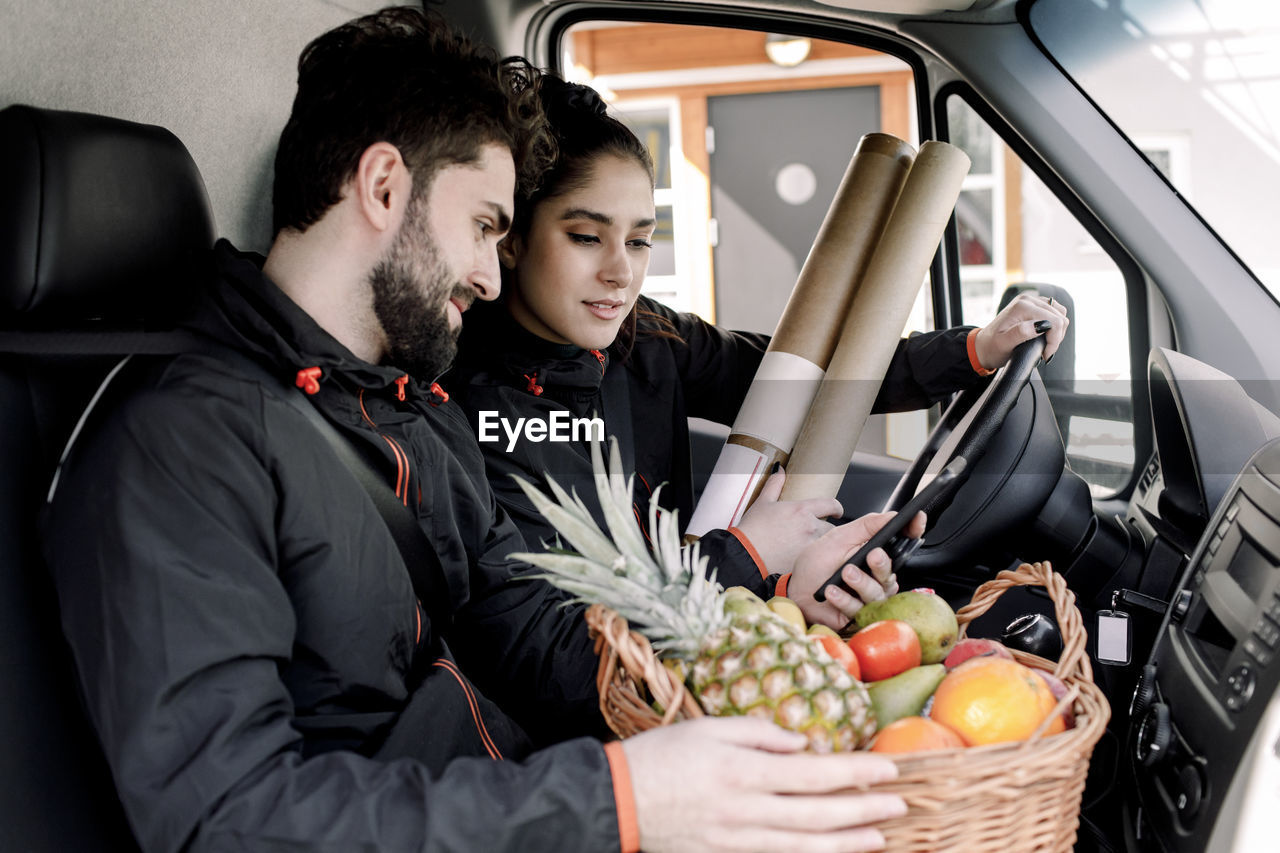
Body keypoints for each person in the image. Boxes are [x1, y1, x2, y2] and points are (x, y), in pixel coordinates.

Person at [44, 8, 912, 852]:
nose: (492, 281)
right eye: (485, 227)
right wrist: (621, 802)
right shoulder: (181, 445)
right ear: (384, 187)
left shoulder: (415, 409)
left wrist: (759, 601)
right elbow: (227, 819)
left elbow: (536, 634)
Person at [447, 75, 1070, 614]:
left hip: (704, 619)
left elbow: (807, 380)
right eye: (586, 237)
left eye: (639, 241)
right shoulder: (477, 410)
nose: (621, 273)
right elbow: (576, 631)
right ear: (510, 239)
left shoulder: (648, 336)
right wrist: (749, 555)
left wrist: (977, 350)